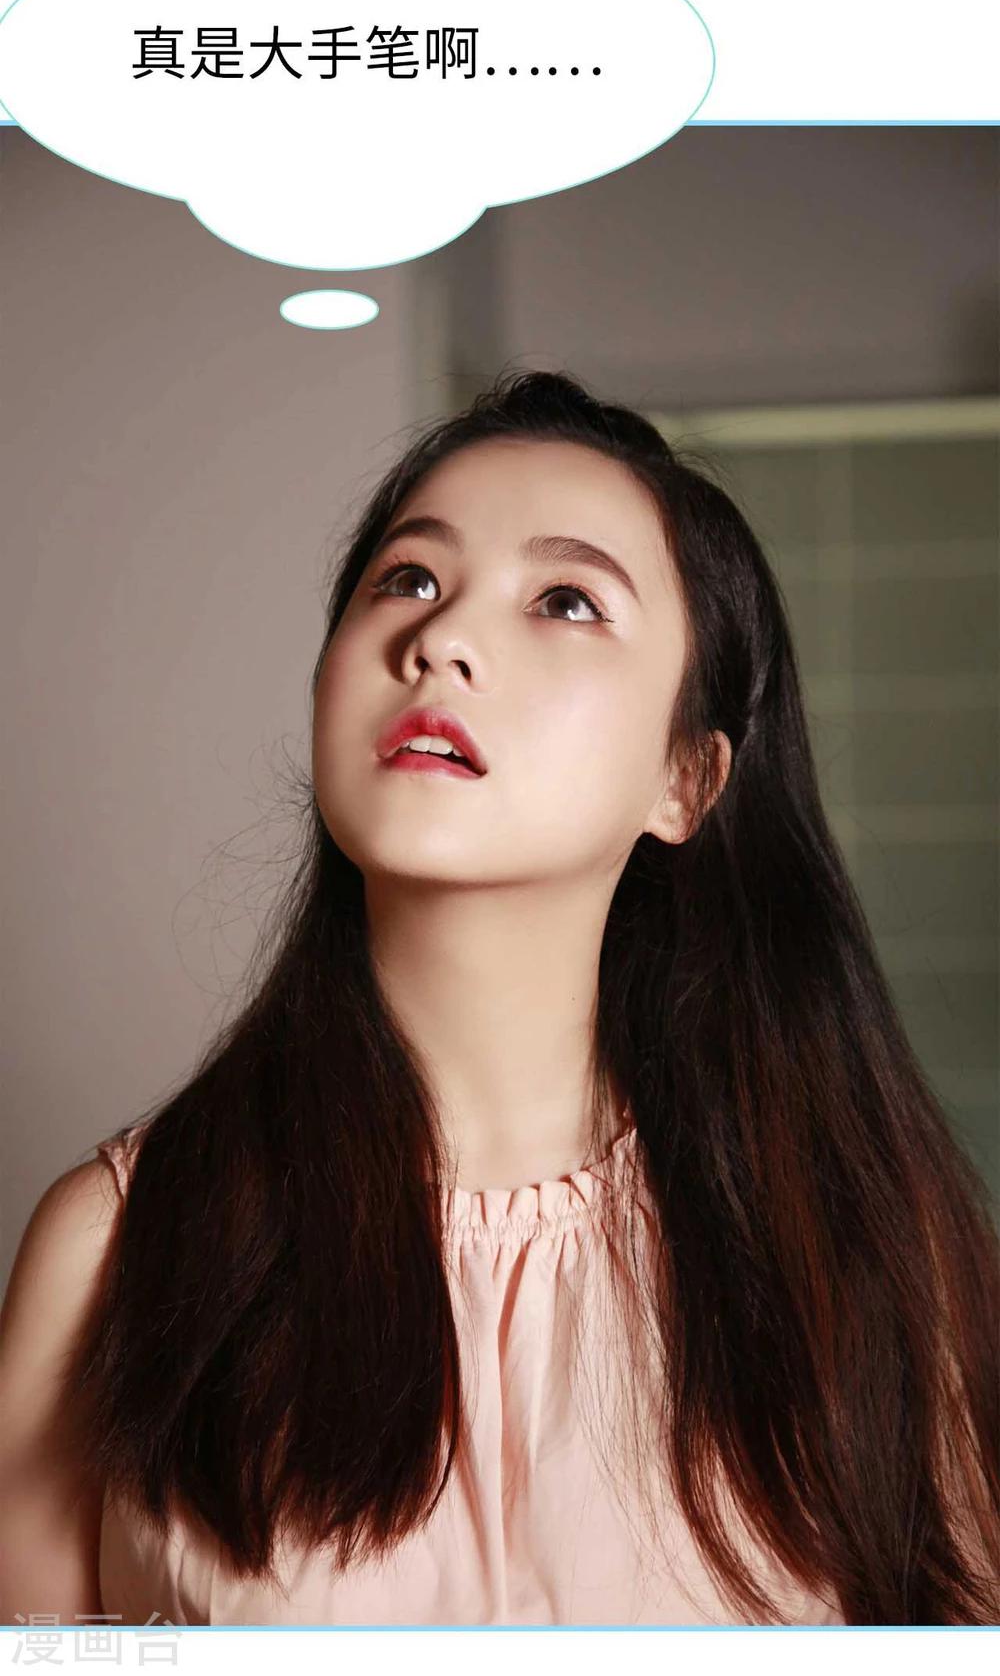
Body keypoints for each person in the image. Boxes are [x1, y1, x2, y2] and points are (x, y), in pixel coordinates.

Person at [1, 369, 997, 1627]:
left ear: (686, 779)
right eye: (408, 579)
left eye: (565, 600)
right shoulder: (114, 1245)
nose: (439, 639)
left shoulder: (858, 1246)